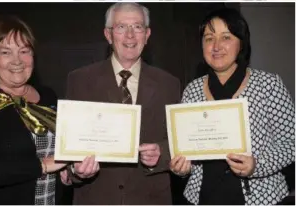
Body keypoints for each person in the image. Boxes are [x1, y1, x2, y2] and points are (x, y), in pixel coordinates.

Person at [169, 8, 295, 205]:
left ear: (241, 43)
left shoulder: (268, 85)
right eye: (209, 38)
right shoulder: (192, 90)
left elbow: (291, 143)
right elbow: (189, 150)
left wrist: (257, 165)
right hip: (202, 197)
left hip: (260, 198)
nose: (216, 46)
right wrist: (183, 168)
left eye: (226, 37)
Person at [60, 2, 181, 205]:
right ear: (108, 35)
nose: (130, 35)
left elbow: (180, 144)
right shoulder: (79, 80)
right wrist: (75, 170)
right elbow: (69, 147)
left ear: (147, 34)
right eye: (121, 27)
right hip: (95, 198)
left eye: (137, 27)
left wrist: (161, 152)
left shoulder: (169, 83)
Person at [0, 15, 68, 205]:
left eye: (24, 51)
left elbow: (62, 149)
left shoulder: (49, 96)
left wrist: (70, 170)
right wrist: (43, 165)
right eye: (6, 52)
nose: (17, 61)